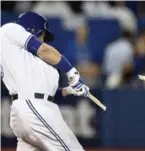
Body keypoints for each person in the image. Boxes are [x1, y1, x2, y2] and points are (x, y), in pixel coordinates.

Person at [1, 12, 90, 151]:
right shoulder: (10, 29)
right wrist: (71, 70)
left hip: (30, 110)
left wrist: (70, 90)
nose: (44, 40)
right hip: (33, 108)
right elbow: (43, 49)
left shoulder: (30, 61)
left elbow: (48, 96)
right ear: (33, 29)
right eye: (43, 35)